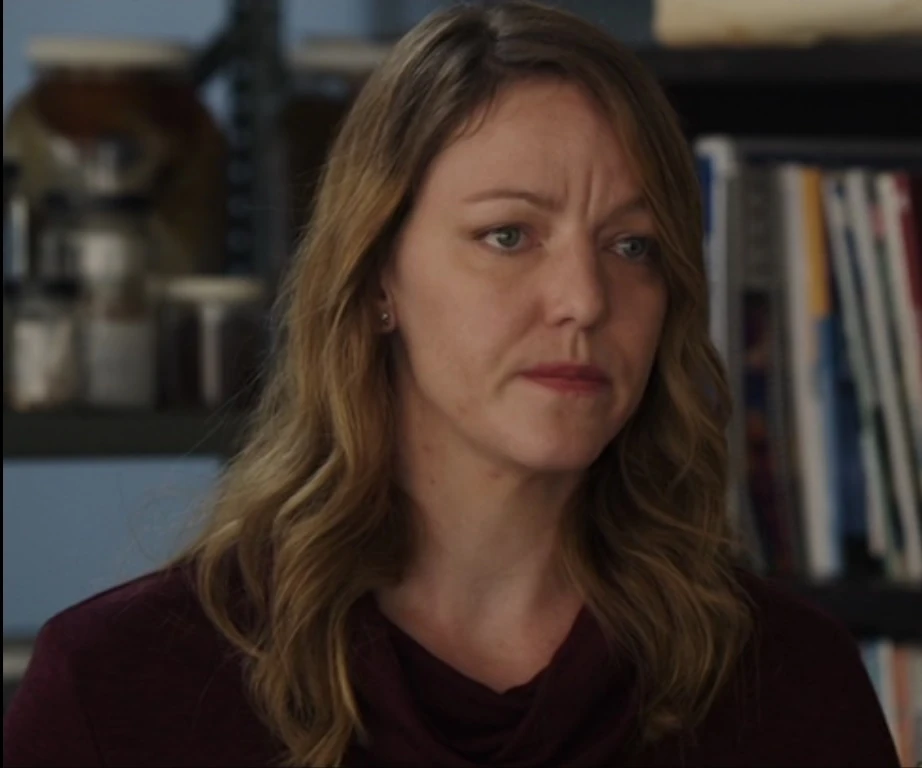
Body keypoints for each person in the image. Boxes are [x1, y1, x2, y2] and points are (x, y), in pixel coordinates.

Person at [3, 2, 901, 766]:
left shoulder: (790, 685)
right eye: (508, 235)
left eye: (633, 246)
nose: (586, 299)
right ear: (377, 278)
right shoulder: (118, 693)